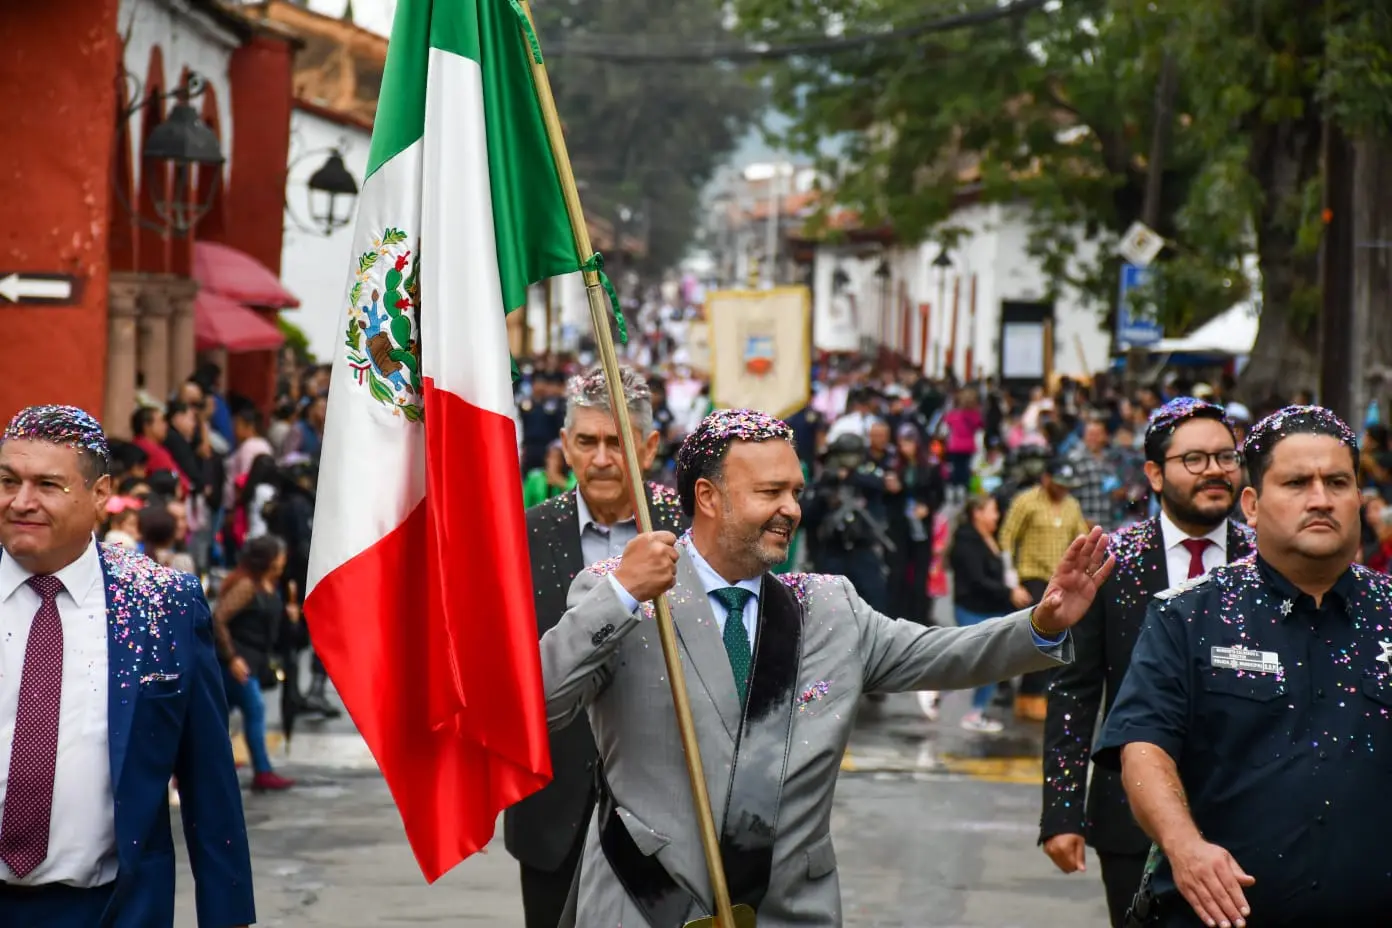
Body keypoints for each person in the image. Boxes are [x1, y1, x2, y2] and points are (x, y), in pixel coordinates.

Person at [543, 408, 1115, 927]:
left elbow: (942, 654)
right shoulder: (623, 593)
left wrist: (1041, 623)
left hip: (786, 911)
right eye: (770, 491)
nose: (791, 508)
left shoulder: (827, 607)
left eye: (795, 491)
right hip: (643, 908)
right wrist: (620, 595)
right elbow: (539, 700)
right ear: (708, 497)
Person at [1093, 405, 1392, 927]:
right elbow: (1143, 747)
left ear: (1359, 499)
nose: (1320, 499)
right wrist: (1183, 846)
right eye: (1297, 482)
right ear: (1250, 505)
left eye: (1338, 482)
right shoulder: (1186, 614)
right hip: (1219, 915)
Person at [0, 405, 253, 927]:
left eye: (48, 484)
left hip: (111, 907)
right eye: (7, 481)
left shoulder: (163, 604)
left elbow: (208, 779)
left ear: (100, 495)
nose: (21, 502)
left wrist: (227, 915)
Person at [1040, 398, 1255, 927]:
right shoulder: (1114, 558)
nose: (1214, 472)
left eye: (1226, 458)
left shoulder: (1266, 557)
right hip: (1130, 816)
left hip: (1250, 811)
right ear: (1155, 474)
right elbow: (1075, 688)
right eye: (1195, 459)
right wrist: (1062, 811)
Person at [504, 366, 687, 928]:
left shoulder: (692, 533)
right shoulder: (521, 535)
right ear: (564, 446)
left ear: (649, 447)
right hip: (551, 808)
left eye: (618, 442)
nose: (602, 458)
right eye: (587, 441)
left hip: (667, 812)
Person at [949, 494, 1017, 733]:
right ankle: (938, 690)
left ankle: (976, 711)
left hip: (993, 608)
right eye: (992, 511)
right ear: (977, 513)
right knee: (977, 661)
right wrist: (1009, 592)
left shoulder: (992, 538)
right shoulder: (966, 541)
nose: (997, 516)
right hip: (973, 609)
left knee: (992, 662)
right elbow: (977, 580)